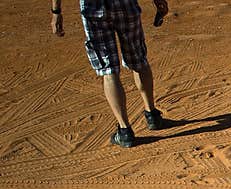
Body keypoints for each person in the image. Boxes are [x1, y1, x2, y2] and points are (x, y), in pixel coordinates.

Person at [51, 1, 169, 148]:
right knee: (138, 58)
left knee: (109, 70)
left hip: (94, 9)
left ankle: (125, 131)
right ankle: (153, 116)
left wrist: (56, 12)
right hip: (125, 4)